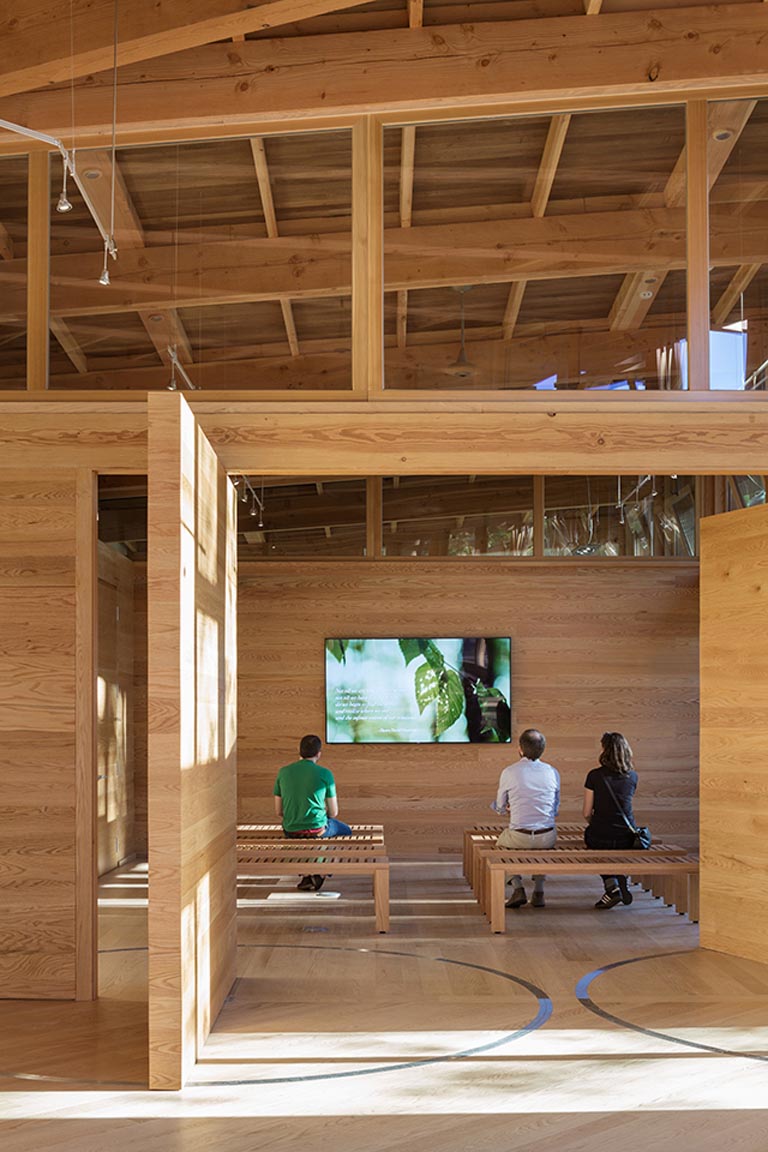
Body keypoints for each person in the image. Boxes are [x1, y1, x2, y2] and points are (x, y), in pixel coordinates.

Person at [491, 728, 560, 909]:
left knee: (499, 847)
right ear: (542, 750)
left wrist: (506, 807)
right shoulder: (553, 772)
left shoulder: (509, 772)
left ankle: (517, 887)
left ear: (520, 749)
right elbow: (554, 809)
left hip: (519, 837)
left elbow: (500, 808)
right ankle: (538, 891)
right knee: (542, 848)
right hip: (547, 837)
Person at [273, 733, 352, 891]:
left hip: (291, 830)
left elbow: (278, 811)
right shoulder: (325, 774)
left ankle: (307, 875)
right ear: (319, 753)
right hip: (317, 829)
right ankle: (321, 872)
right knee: (346, 831)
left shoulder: (283, 772)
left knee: (304, 836)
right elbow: (334, 812)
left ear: (299, 751)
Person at [583, 731, 639, 909]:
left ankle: (611, 885)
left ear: (604, 750)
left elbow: (586, 812)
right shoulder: (633, 776)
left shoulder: (594, 775)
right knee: (615, 847)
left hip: (600, 835)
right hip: (627, 837)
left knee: (595, 843)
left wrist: (596, 822)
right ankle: (620, 876)